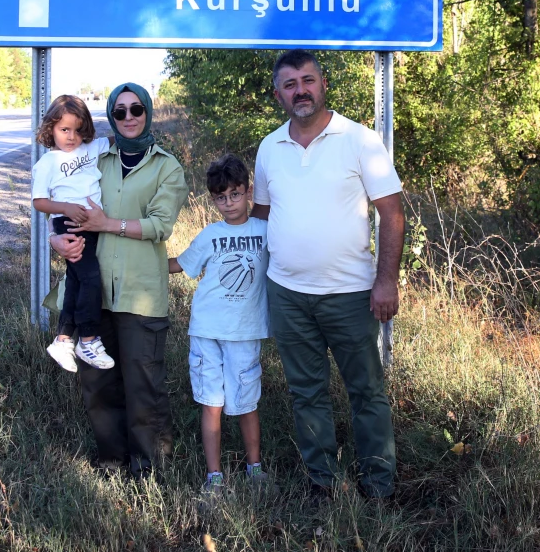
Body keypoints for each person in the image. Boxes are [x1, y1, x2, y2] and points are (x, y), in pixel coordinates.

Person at [250, 49, 405, 500]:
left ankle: (377, 484)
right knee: (306, 392)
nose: (301, 90)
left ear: (322, 84)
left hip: (351, 294)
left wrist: (386, 280)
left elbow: (391, 214)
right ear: (278, 94)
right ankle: (323, 482)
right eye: (290, 84)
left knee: (367, 392)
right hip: (287, 294)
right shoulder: (269, 147)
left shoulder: (359, 140)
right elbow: (261, 216)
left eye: (308, 80)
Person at [50, 83, 186, 479]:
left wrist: (107, 224)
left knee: (144, 384)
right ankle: (111, 460)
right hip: (92, 291)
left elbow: (161, 225)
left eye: (136, 110)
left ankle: (149, 468)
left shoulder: (167, 167)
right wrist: (55, 238)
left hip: (140, 293)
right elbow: (64, 200)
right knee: (98, 383)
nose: (129, 118)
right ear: (111, 116)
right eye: (120, 111)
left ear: (148, 113)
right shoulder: (94, 159)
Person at [167, 154, 272, 496]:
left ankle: (254, 468)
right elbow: (180, 265)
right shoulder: (210, 235)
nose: (228, 204)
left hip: (245, 332)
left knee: (246, 402)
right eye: (220, 198)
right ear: (213, 199)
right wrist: (139, 260)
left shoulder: (265, 232)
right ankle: (215, 476)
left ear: (249, 191)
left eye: (235, 195)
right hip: (207, 331)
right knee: (211, 402)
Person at [32, 94, 114, 372]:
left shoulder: (90, 148)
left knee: (77, 282)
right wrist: (66, 208)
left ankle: (63, 339)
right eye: (64, 129)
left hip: (90, 224)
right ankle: (88, 339)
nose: (71, 136)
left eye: (78, 130)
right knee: (91, 279)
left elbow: (115, 140)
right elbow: (39, 202)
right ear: (51, 129)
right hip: (68, 224)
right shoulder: (48, 163)